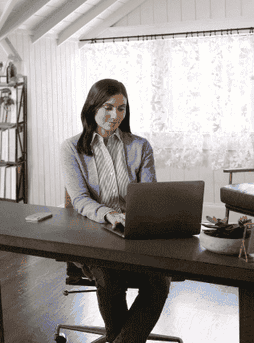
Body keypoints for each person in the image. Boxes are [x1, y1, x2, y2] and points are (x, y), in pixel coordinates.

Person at [60, 78, 171, 343]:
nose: (115, 115)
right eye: (108, 107)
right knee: (110, 276)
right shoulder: (71, 149)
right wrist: (108, 214)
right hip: (92, 234)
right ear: (92, 108)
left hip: (133, 235)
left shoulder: (140, 146)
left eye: (121, 109)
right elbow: (79, 199)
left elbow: (149, 195)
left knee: (159, 280)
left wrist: (142, 217)